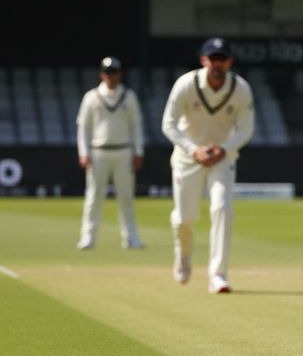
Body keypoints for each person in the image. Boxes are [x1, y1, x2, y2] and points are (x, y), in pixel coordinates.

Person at [161, 37, 255, 294]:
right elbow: (168, 124)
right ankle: (183, 254)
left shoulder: (241, 88)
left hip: (222, 158)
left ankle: (218, 275)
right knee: (184, 218)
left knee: (223, 207)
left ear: (229, 62)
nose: (217, 63)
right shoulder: (186, 84)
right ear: (203, 60)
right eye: (212, 58)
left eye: (222, 59)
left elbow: (246, 129)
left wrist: (223, 148)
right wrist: (194, 149)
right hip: (186, 158)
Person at [75, 56, 145, 250]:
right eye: (107, 72)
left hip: (123, 151)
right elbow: (84, 128)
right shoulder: (91, 97)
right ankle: (88, 237)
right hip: (98, 153)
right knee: (94, 197)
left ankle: (131, 238)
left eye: (114, 72)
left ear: (120, 74)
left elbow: (136, 126)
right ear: (101, 74)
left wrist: (138, 151)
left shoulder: (129, 97)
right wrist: (84, 152)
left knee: (126, 197)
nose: (110, 76)